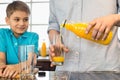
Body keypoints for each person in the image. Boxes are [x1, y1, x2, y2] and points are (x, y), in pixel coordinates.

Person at [48, 0, 120, 72]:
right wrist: (56, 42)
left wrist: (114, 18)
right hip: (66, 70)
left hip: (104, 70)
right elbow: (54, 27)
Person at [0, 1, 39, 78]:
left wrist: (16, 67)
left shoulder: (33, 37)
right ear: (7, 20)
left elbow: (31, 61)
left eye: (25, 19)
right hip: (7, 74)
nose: (22, 23)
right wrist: (2, 66)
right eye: (17, 19)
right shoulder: (2, 34)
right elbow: (1, 58)